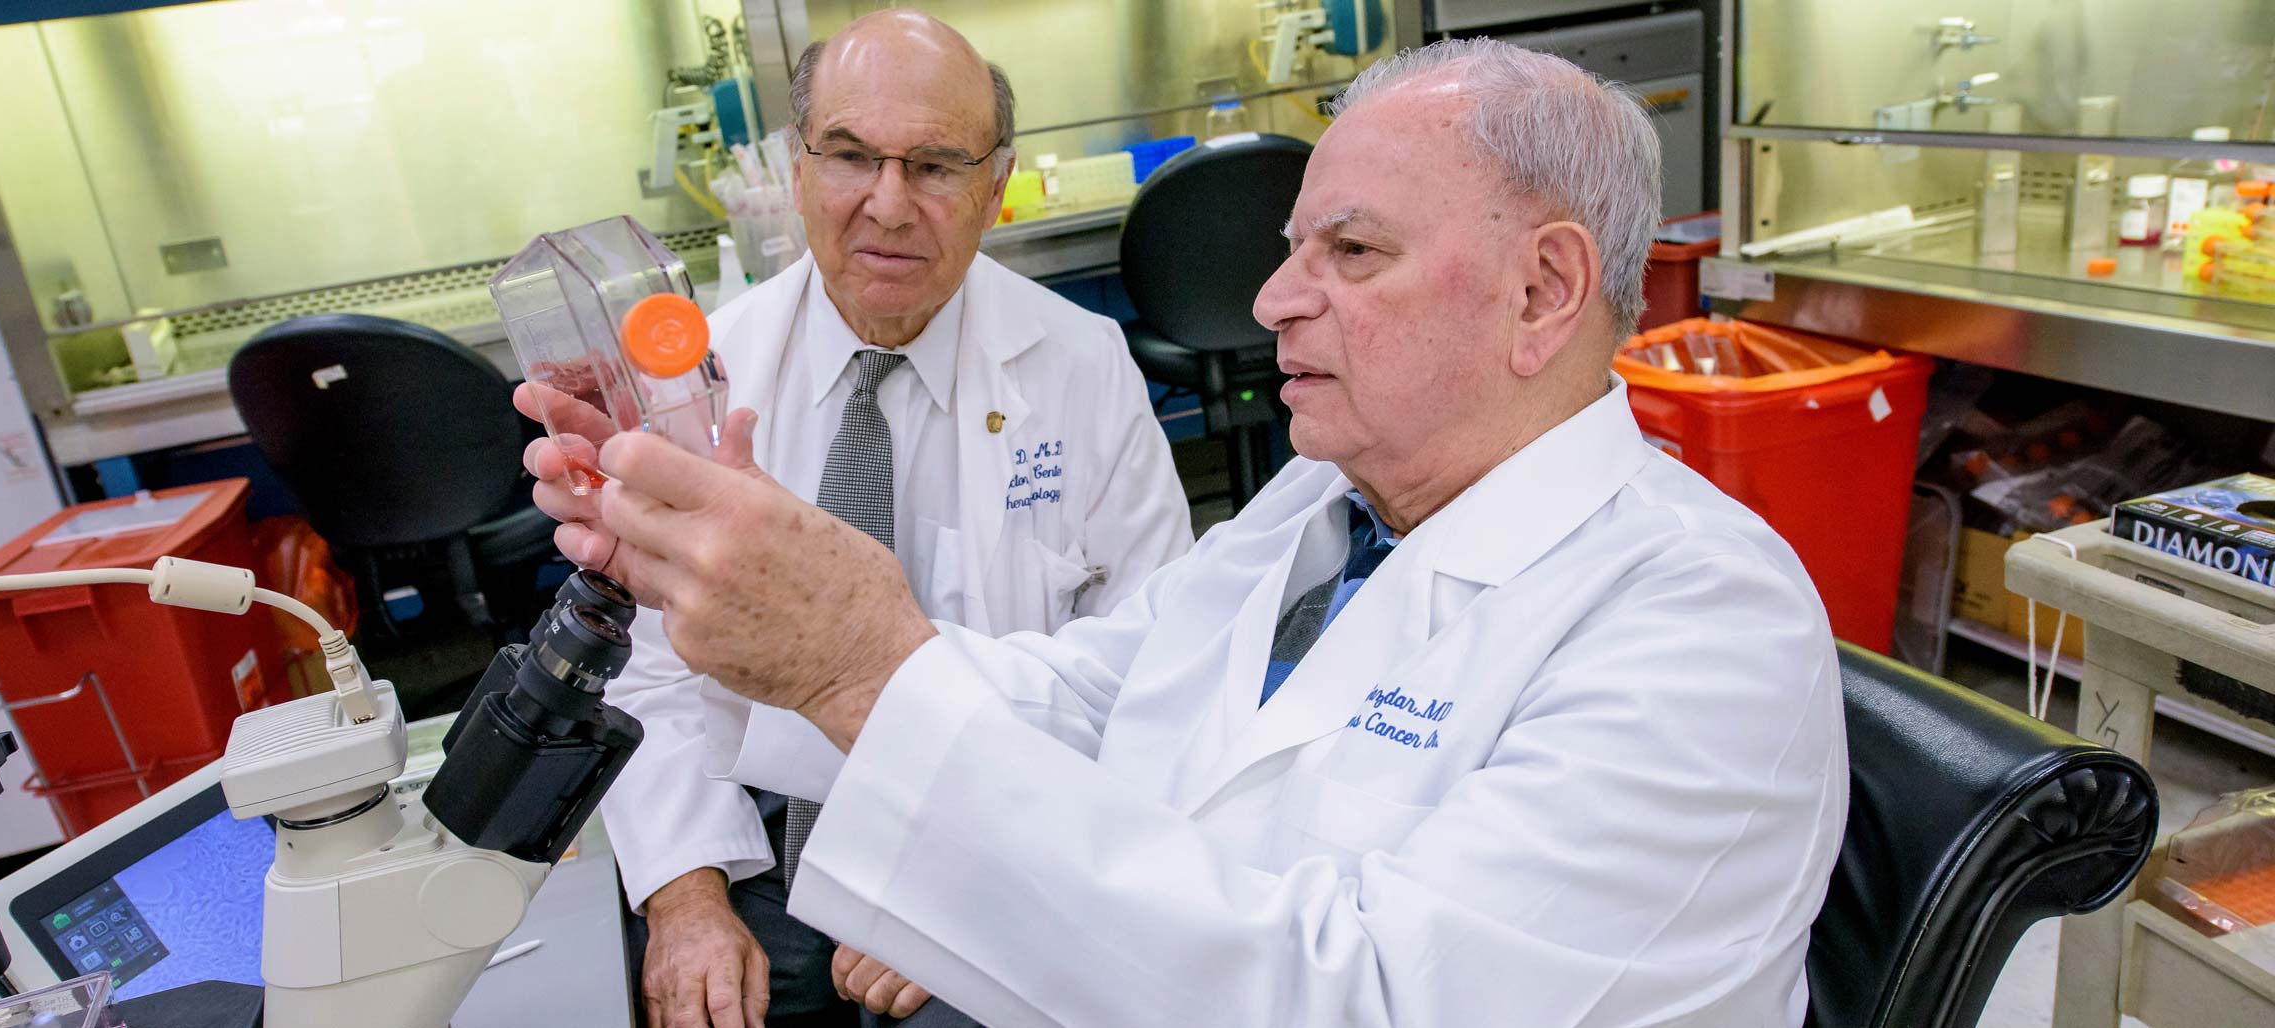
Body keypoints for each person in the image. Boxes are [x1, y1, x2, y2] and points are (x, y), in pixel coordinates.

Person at [569, 36, 1847, 1028]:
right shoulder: (1325, 506)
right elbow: (1087, 694)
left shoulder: (1701, 627)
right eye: (1297, 248)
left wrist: (856, 658)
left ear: (1543, 290)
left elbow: (1356, 998)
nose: (1274, 299)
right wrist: (773, 619)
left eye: (1349, 250)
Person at [516, 11, 1191, 1028]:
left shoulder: (1082, 367)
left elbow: (1159, 669)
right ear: (797, 169)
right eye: (849, 156)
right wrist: (685, 895)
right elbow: (648, 665)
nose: (888, 203)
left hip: (999, 820)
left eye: (934, 164)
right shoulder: (699, 377)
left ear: (993, 186)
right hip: (764, 837)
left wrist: (974, 870)